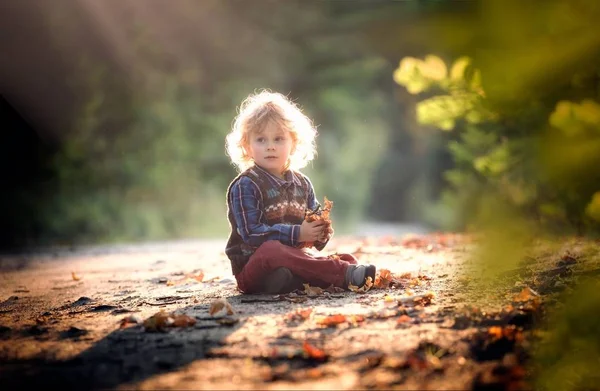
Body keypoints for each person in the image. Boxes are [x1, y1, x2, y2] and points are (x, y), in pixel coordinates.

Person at [224, 90, 376, 294]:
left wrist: (319, 232)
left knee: (345, 258)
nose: (270, 147)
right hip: (253, 267)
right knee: (272, 250)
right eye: (261, 140)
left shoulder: (302, 184)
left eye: (278, 139)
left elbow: (313, 230)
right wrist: (298, 233)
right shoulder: (246, 185)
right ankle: (340, 275)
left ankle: (289, 280)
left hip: (292, 260)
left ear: (293, 143)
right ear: (247, 146)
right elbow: (251, 234)